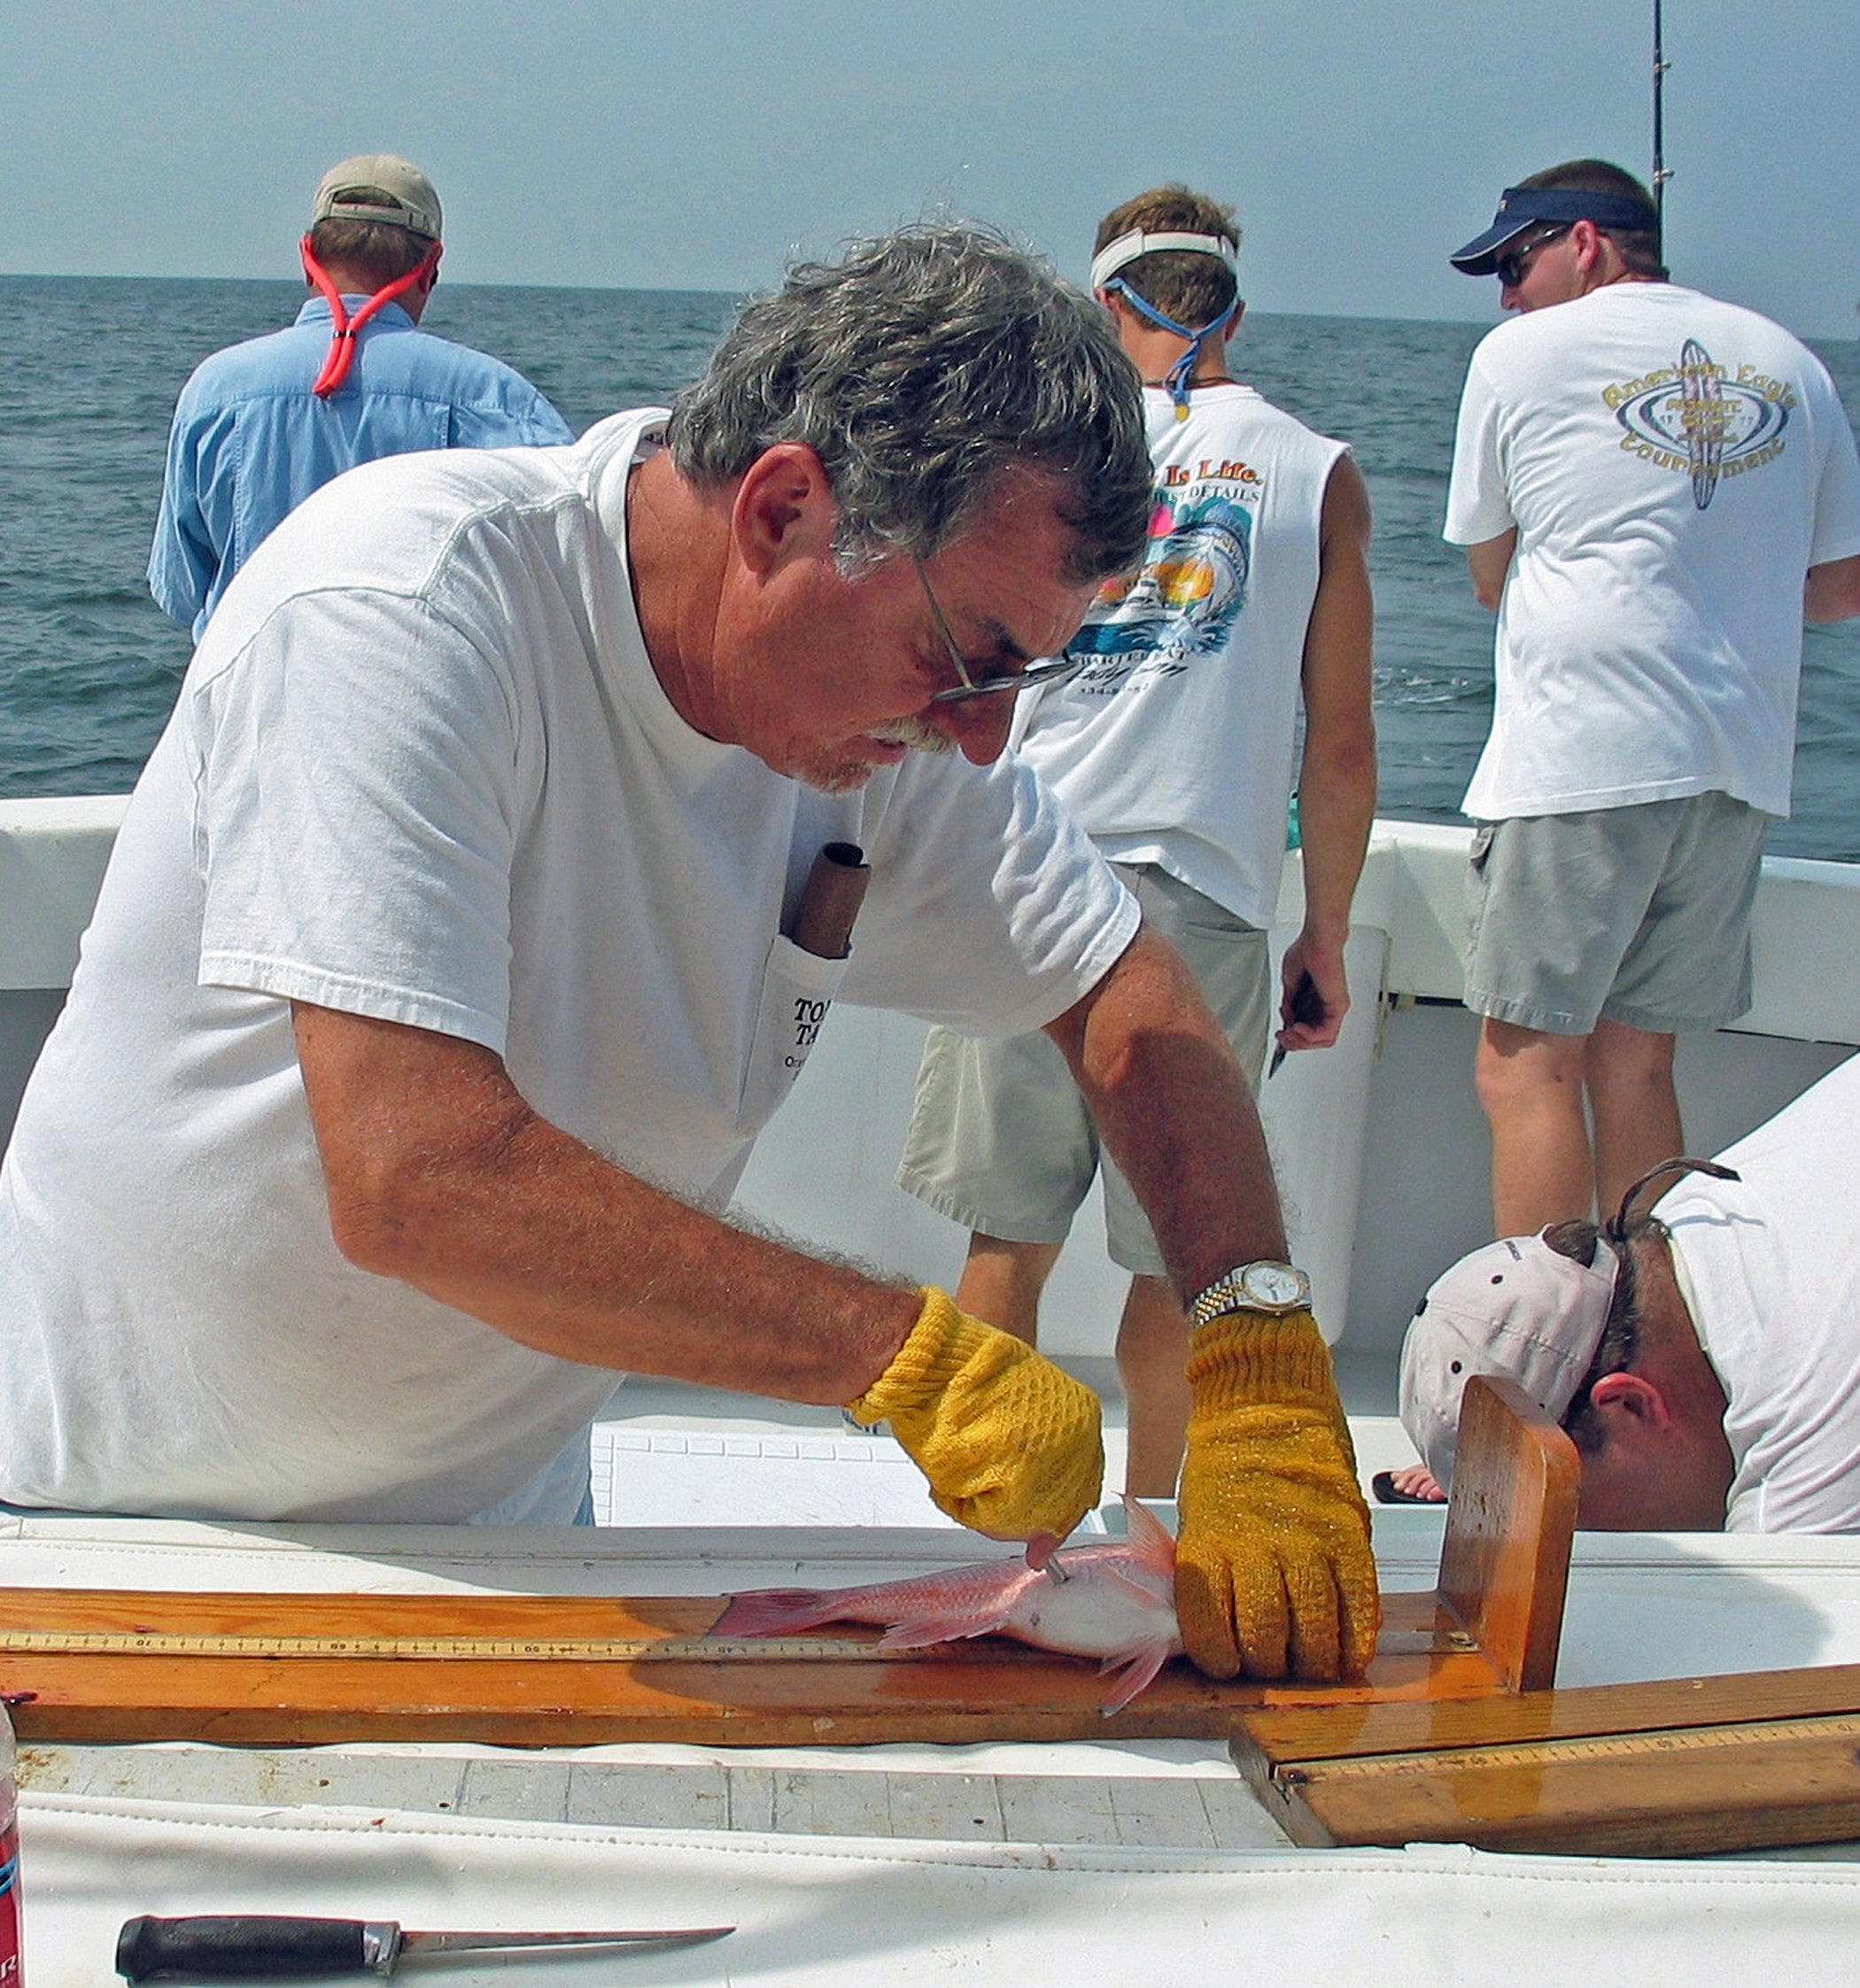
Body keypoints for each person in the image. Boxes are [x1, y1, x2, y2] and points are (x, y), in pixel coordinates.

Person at [0, 224, 1376, 1684]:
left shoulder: (892, 729)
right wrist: (905, 1359)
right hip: (112, 1538)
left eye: (1025, 677)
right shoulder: (407, 606)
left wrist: (1255, 1340)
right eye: (971, 657)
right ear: (783, 511)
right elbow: (418, 1176)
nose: (989, 735)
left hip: (523, 1546)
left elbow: (1128, 994)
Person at [896, 185, 1376, 1497]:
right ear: (1233, 305)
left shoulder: (1043, 456)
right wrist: (1322, 933)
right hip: (1206, 900)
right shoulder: (1319, 470)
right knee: (1181, 1262)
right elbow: (1338, 741)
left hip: (1022, 874)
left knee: (1009, 1240)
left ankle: (982, 1528)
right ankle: (1153, 1544)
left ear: (1110, 304)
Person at [1442, 159, 1860, 1241]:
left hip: (1580, 754)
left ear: (1587, 242)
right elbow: (1840, 587)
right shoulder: (1796, 366)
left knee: (1525, 1066)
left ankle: (1538, 1359)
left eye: (1514, 261)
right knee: (1639, 1064)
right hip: (1735, 770)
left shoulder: (1516, 355)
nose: (1503, 292)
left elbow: (1487, 573)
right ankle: (1652, 1354)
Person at [1398, 1052, 1860, 1533]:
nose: (1558, 1559)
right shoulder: (1690, 1218)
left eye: (1562, 1527)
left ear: (1629, 1404)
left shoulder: (1806, 1449)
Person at [148, 153, 572, 639]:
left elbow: (183, 592)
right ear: (431, 265)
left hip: (248, 707)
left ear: (308, 256)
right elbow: (562, 582)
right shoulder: (498, 399)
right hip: (425, 707)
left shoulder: (214, 391)